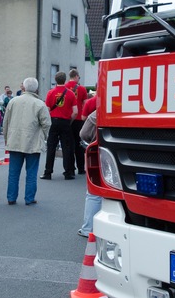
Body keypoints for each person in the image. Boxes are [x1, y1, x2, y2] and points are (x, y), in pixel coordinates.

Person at [3, 77, 51, 205]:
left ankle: (11, 197)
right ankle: (29, 198)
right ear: (36, 88)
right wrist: (44, 138)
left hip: (15, 141)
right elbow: (47, 124)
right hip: (33, 141)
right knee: (31, 172)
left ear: (23, 87)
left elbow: (6, 122)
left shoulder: (13, 101)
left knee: (13, 173)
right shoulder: (40, 104)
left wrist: (7, 138)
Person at [41, 71, 78, 180]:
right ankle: (67, 172)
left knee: (51, 147)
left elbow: (46, 110)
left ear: (55, 80)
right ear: (65, 79)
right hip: (65, 122)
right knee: (66, 147)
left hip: (53, 121)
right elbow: (75, 111)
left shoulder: (50, 93)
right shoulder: (70, 93)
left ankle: (48, 172)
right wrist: (69, 121)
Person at [77, 95, 102, 238]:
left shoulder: (97, 108)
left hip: (98, 152)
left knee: (94, 193)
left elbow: (83, 131)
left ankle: (88, 228)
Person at [65, 69, 88, 174]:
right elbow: (85, 104)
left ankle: (70, 167)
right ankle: (80, 168)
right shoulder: (82, 89)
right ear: (76, 76)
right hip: (78, 119)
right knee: (79, 144)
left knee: (69, 144)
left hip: (68, 118)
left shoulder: (64, 87)